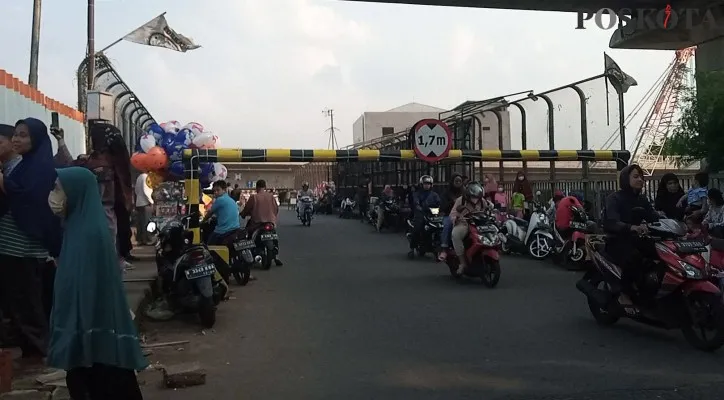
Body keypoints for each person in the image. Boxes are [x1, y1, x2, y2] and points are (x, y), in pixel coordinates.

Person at [47, 166, 147, 400]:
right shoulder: (77, 226)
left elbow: (88, 289)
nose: (52, 195)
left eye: (57, 189)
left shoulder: (90, 233)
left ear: (76, 193)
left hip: (93, 337)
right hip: (88, 336)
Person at [0, 119, 62, 362]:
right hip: (11, 244)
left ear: (36, 139)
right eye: (16, 135)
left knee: (27, 302)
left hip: (25, 246)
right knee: (18, 301)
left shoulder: (41, 168)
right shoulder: (22, 166)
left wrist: (4, 184)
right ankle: (29, 349)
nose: (17, 140)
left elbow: (32, 201)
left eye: (23, 136)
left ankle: (40, 351)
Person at [54, 123, 134, 270]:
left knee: (97, 266)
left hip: (95, 218)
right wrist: (61, 141)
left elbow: (71, 170)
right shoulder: (108, 161)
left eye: (91, 137)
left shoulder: (99, 166)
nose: (89, 140)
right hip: (106, 219)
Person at [603, 164, 659, 306]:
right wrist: (631, 227)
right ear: (624, 179)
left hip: (638, 239)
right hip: (617, 241)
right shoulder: (614, 198)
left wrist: (674, 222)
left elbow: (654, 217)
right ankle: (624, 292)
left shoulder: (643, 199)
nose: (640, 179)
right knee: (634, 256)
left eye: (641, 177)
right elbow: (612, 221)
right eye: (635, 176)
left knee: (660, 254)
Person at [240, 179, 282, 266]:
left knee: (248, 236)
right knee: (274, 236)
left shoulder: (254, 197)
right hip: (270, 222)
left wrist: (243, 214)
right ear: (265, 187)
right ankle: (276, 257)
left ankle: (249, 255)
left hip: (257, 223)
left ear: (256, 187)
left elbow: (247, 209)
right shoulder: (271, 196)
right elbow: (276, 209)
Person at [449, 182, 486, 275]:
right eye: (473, 197)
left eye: (477, 198)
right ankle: (462, 263)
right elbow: (453, 213)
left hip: (479, 225)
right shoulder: (460, 200)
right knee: (455, 234)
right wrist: (455, 218)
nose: (475, 200)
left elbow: (489, 208)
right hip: (464, 223)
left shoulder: (482, 201)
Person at [407, 175, 441, 258]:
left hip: (432, 214)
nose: (427, 185)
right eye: (425, 184)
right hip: (420, 213)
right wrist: (420, 207)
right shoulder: (417, 194)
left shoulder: (435, 195)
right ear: (421, 184)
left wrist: (439, 208)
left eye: (428, 184)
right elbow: (416, 203)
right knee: (417, 228)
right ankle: (412, 248)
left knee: (440, 227)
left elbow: (439, 203)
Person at [202, 180, 241, 245]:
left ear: (224, 190)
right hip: (236, 229)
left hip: (223, 231)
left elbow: (209, 213)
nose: (215, 192)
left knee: (209, 245)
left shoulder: (220, 199)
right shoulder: (231, 200)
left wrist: (202, 221)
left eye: (218, 190)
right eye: (214, 191)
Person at [438, 173, 464, 261]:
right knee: (448, 225)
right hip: (449, 215)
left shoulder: (464, 192)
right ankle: (444, 248)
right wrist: (453, 202)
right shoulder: (446, 193)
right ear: (452, 182)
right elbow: (442, 206)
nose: (458, 183)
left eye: (460, 181)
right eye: (456, 181)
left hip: (464, 216)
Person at [134, 172, 154, 246]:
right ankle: (147, 239)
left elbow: (136, 190)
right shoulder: (146, 177)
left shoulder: (139, 176)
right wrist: (151, 201)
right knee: (147, 222)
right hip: (145, 203)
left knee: (140, 222)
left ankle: (140, 239)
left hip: (139, 202)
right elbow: (146, 191)